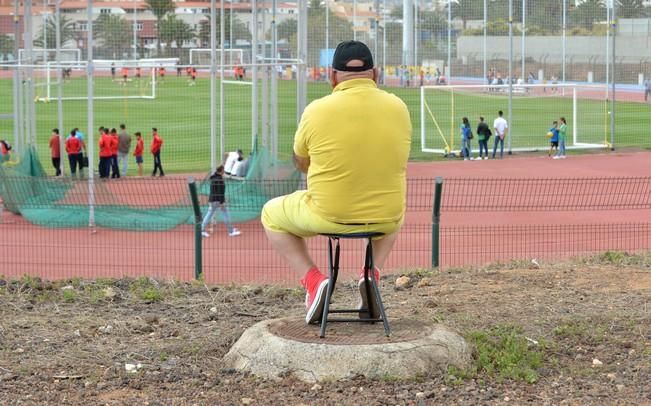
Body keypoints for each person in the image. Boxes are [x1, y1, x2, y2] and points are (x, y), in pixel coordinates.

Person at [261, 40, 412, 324]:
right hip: (385, 218)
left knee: (270, 213)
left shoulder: (316, 110)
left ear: (332, 77)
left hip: (330, 216)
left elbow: (300, 160)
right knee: (395, 206)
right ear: (375, 75)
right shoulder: (399, 107)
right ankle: (371, 275)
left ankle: (314, 280)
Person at [201, 165, 241, 238]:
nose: (224, 171)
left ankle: (201, 229)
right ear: (221, 170)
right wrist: (222, 202)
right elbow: (220, 192)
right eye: (223, 170)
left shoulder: (213, 178)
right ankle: (231, 231)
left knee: (209, 214)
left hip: (212, 199)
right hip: (217, 200)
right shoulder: (220, 180)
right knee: (225, 214)